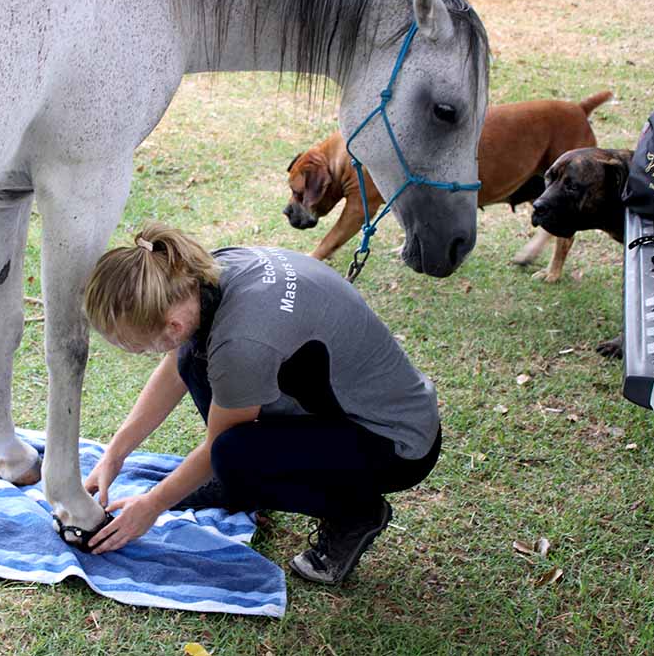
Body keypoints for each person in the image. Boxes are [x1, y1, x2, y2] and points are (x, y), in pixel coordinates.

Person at [82, 222, 441, 585]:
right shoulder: (202, 275)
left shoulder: (242, 344)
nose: (139, 353)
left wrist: (152, 505)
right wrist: (115, 453)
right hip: (349, 406)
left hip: (397, 443)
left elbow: (217, 448)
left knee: (232, 457)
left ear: (171, 325)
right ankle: (237, 483)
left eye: (138, 347)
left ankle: (357, 512)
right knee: (193, 360)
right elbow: (177, 366)